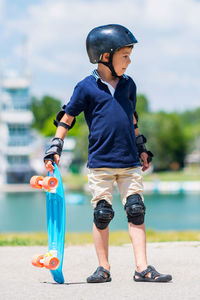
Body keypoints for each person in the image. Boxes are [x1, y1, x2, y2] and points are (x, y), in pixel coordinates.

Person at [44, 24, 172, 283]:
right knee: (102, 213)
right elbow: (68, 116)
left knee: (136, 210)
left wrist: (141, 148)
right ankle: (103, 267)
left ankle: (142, 267)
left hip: (129, 161)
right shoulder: (86, 87)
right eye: (124, 55)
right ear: (105, 56)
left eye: (130, 55)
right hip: (101, 162)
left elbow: (132, 118)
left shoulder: (129, 85)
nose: (129, 61)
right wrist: (56, 145)